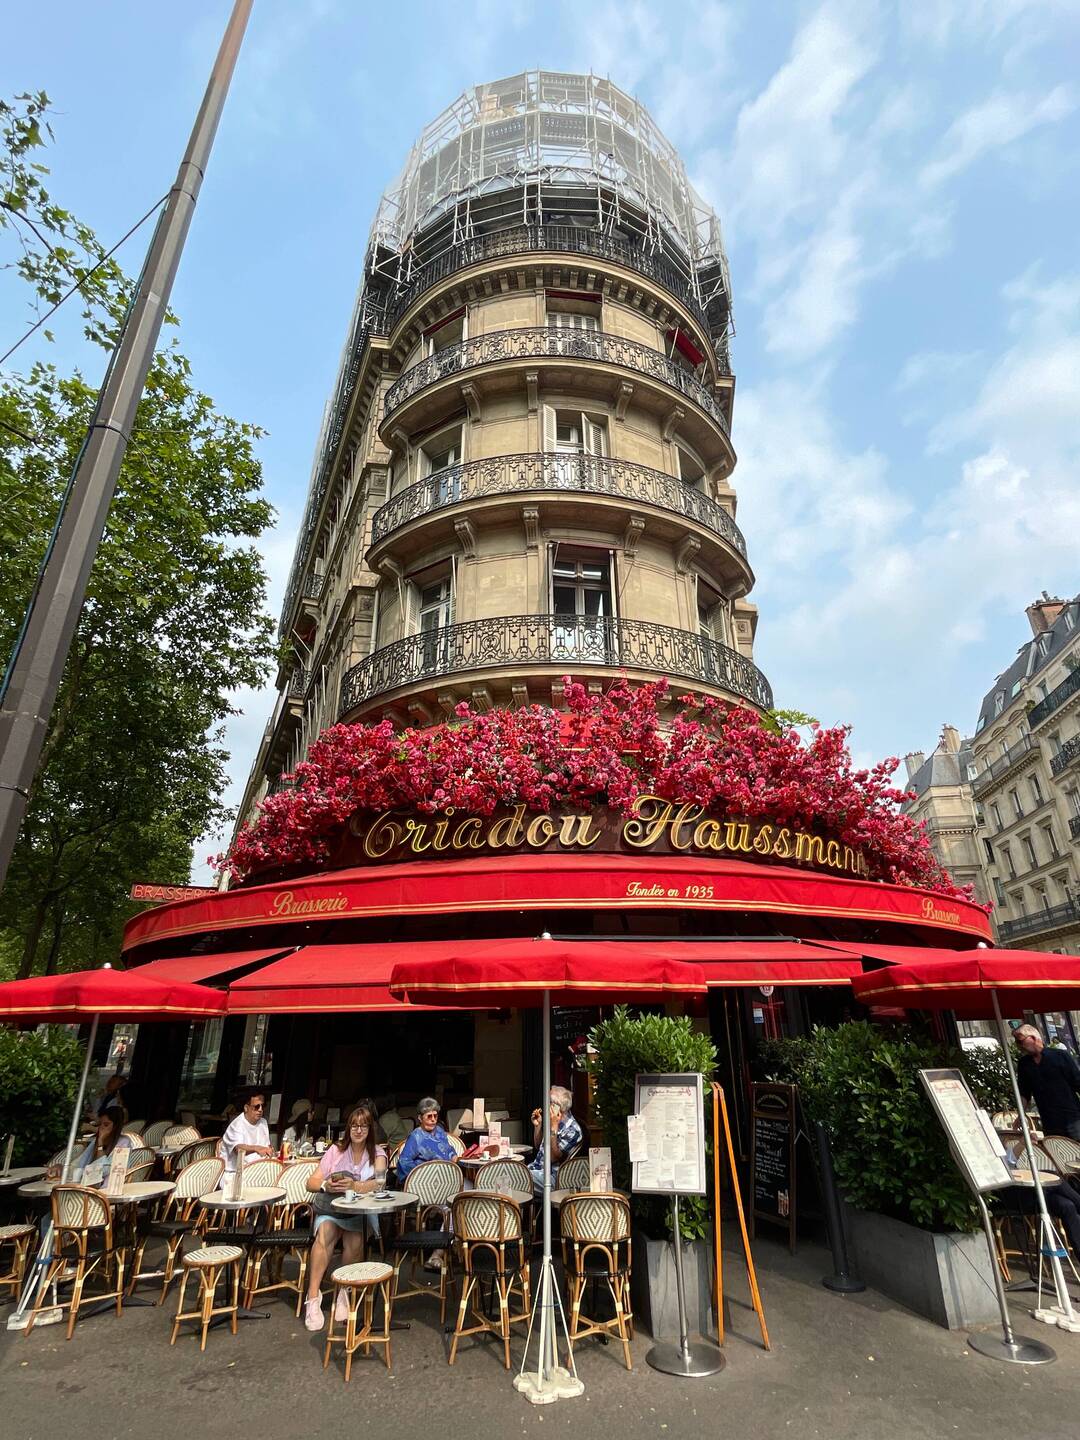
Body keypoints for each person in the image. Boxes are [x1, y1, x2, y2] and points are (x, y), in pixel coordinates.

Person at [303, 1102, 386, 1332]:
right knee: (325, 1233)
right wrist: (326, 1185)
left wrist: (355, 1186)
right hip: (332, 1209)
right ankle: (313, 1297)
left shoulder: (377, 1154)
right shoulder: (336, 1151)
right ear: (348, 1128)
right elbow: (311, 1182)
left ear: (370, 1129)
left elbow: (380, 1183)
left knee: (355, 1240)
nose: (358, 1130)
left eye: (363, 1126)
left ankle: (343, 1291)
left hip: (359, 1213)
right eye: (354, 1126)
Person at [1016, 1024, 1080, 1140]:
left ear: (1033, 1038)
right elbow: (1024, 1093)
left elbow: (1078, 1082)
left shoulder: (1060, 1056)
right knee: (1055, 1149)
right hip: (1049, 1121)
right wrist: (1020, 1114)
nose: (1019, 1046)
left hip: (1073, 1119)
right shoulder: (1024, 1064)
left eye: (1020, 1041)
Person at [528, 1085, 582, 1191]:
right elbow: (539, 1146)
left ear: (556, 1106)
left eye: (548, 1102)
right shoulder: (554, 1120)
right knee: (510, 1173)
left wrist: (553, 1129)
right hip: (537, 1169)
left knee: (515, 1178)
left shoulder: (572, 1130)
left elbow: (553, 1157)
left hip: (552, 1177)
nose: (545, 1105)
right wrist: (538, 1126)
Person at [394, 1097, 455, 1181]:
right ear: (420, 1118)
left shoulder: (440, 1131)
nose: (433, 1119)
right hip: (426, 1181)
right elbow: (404, 1161)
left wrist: (453, 1156)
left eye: (435, 1116)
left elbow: (448, 1149)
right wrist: (422, 1174)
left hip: (446, 1177)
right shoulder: (416, 1136)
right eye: (429, 1116)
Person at [69, 1109, 132, 1187]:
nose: (101, 1128)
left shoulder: (124, 1142)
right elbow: (80, 1163)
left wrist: (100, 1145)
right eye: (99, 1124)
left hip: (108, 1187)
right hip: (87, 1186)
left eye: (106, 1125)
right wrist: (63, 1168)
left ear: (116, 1126)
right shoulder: (95, 1142)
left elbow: (104, 1169)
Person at [219, 1087, 274, 1175]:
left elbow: (266, 1146)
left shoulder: (263, 1122)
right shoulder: (237, 1125)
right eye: (256, 1106)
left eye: (263, 1106)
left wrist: (269, 1150)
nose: (260, 1109)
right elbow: (238, 1149)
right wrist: (256, 1148)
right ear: (246, 1108)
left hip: (257, 1169)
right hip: (234, 1172)